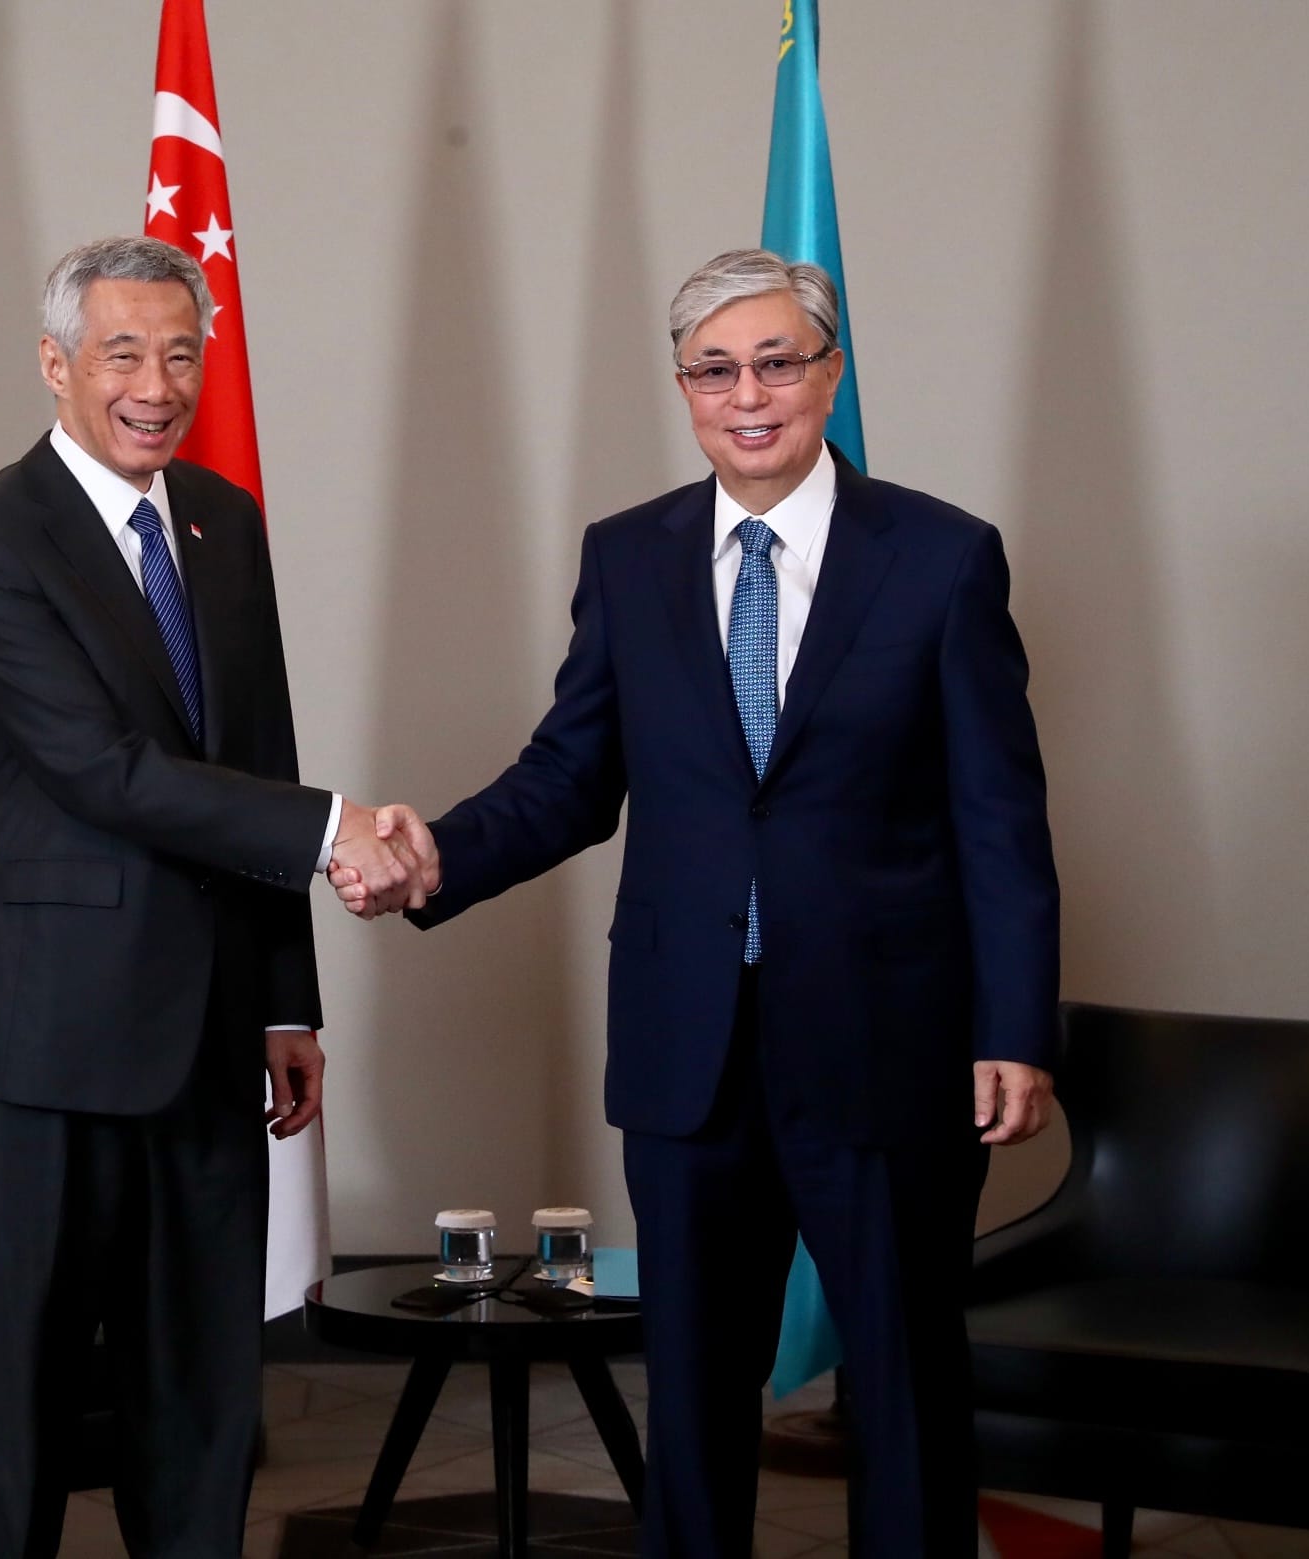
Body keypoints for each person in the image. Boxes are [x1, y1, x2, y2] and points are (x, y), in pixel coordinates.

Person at [338, 248, 1059, 1556]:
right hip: (690, 1049)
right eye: (715, 370)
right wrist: (431, 855)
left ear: (829, 374)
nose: (748, 396)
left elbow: (998, 816)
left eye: (777, 363)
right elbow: (569, 778)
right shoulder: (631, 557)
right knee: (693, 1394)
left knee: (905, 1389)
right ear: (684, 387)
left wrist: (1013, 1025)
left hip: (889, 1046)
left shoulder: (944, 557)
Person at [0, 235, 431, 1559]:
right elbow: (103, 770)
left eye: (181, 354)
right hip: (51, 1036)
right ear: (56, 365)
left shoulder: (221, 519)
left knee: (203, 1388)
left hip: (211, 1025)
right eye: (122, 354)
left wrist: (285, 1002)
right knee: (25, 1393)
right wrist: (338, 831)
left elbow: (256, 754)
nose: (157, 386)